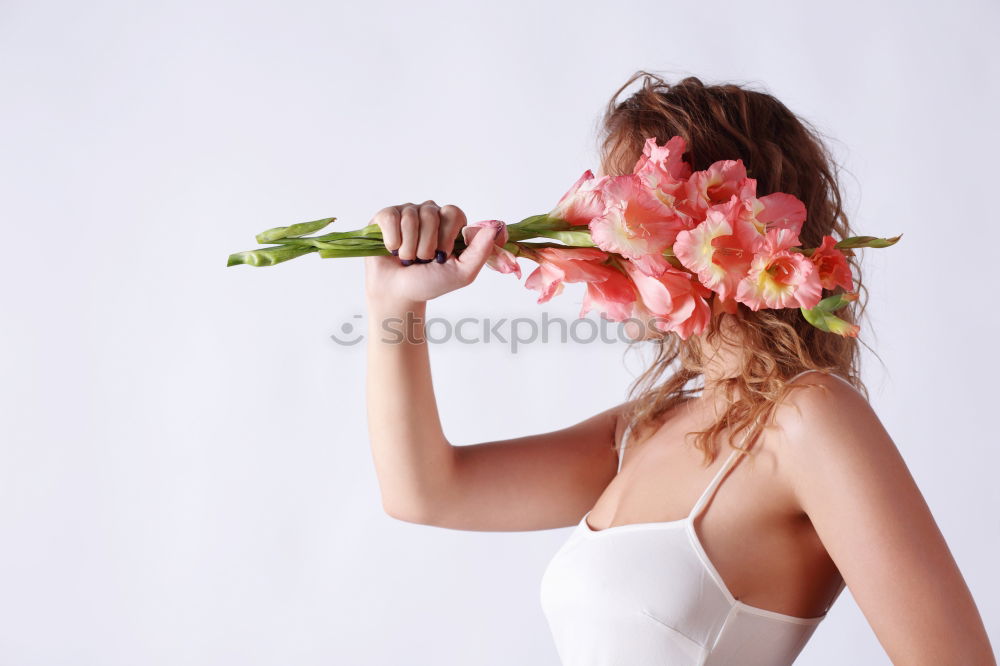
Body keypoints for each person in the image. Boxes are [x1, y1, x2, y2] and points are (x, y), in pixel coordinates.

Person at [362, 72, 996, 664]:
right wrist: (394, 304)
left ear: (716, 226)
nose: (596, 241)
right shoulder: (643, 431)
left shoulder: (809, 418)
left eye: (615, 214)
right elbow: (422, 492)